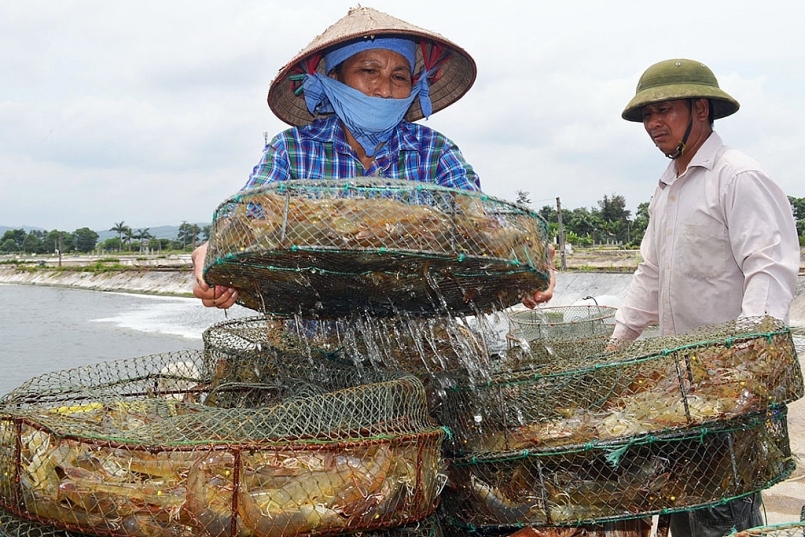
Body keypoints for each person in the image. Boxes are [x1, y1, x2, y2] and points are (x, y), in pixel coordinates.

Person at [191, 6, 555, 310]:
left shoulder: (435, 153)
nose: (384, 89)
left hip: (418, 325)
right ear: (333, 78)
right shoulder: (292, 150)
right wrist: (209, 253)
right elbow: (243, 222)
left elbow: (484, 227)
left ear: (414, 86)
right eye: (368, 71)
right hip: (311, 326)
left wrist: (532, 257)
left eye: (399, 77)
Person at [613, 58, 800, 537]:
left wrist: (740, 362)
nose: (654, 124)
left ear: (701, 109)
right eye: (647, 115)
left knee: (725, 510)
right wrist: (618, 342)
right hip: (680, 386)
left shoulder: (737, 176)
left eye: (666, 110)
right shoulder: (667, 188)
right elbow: (651, 273)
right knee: (686, 505)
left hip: (729, 386)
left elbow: (770, 270)